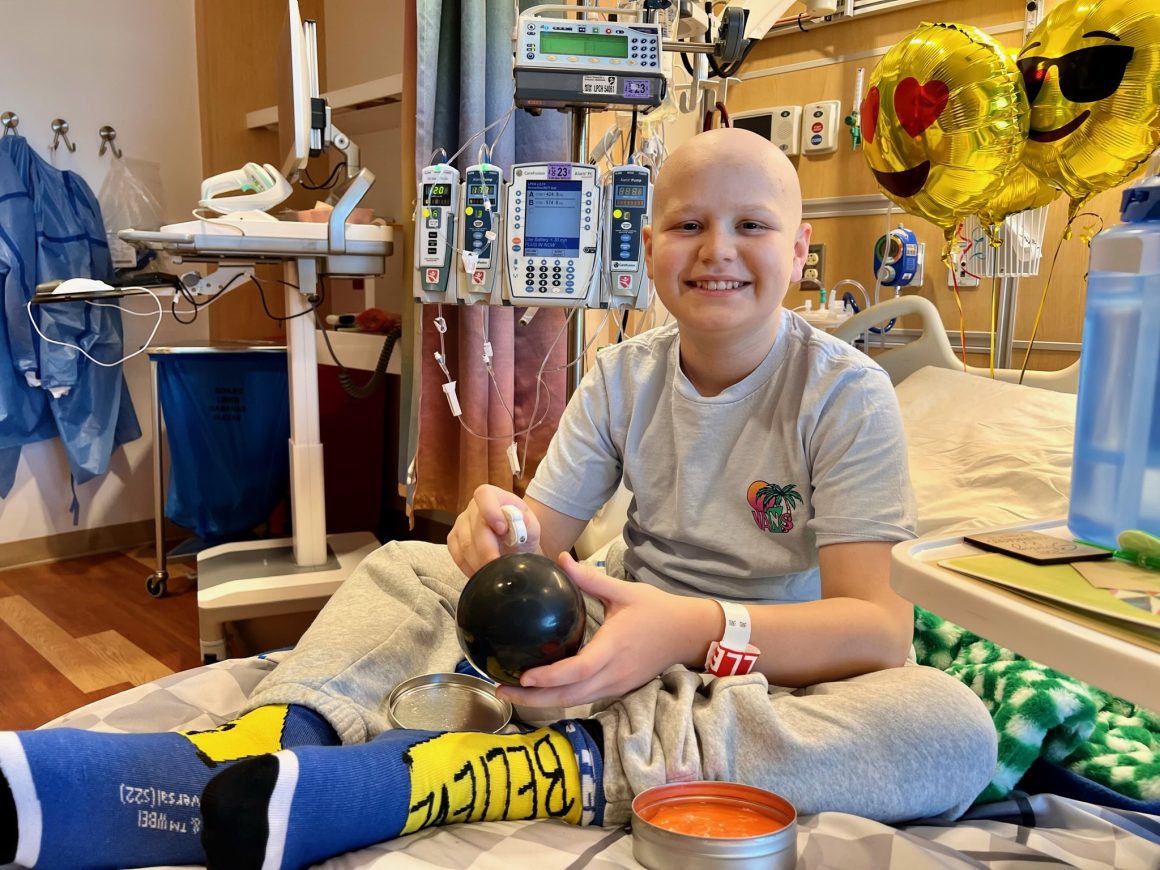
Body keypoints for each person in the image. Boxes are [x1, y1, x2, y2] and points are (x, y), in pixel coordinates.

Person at [0, 127, 996, 870]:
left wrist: (686, 628)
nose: (715, 249)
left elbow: (875, 630)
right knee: (402, 565)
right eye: (686, 224)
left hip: (759, 678)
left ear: (798, 248)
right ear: (645, 250)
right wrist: (495, 529)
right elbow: (537, 547)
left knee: (947, 727)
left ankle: (539, 770)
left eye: (750, 226)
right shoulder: (621, 376)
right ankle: (269, 746)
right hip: (602, 644)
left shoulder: (841, 393)